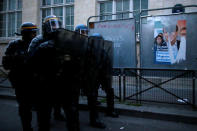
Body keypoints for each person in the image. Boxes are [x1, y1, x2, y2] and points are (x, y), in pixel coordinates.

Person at [28, 15, 79, 131]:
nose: (55, 27)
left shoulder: (66, 41)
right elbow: (30, 61)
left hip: (64, 81)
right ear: (45, 27)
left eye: (57, 24)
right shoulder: (38, 40)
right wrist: (42, 49)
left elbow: (76, 59)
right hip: (45, 81)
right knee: (44, 112)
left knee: (71, 111)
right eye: (52, 24)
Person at [2, 22, 38, 131]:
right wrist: (18, 58)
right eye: (33, 33)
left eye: (35, 33)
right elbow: (6, 64)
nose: (35, 35)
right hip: (21, 81)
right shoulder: (14, 45)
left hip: (35, 80)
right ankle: (27, 127)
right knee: (24, 106)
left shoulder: (37, 44)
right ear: (26, 33)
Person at [75, 25, 106, 128]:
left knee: (92, 97)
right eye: (83, 32)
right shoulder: (72, 44)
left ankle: (94, 120)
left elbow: (94, 59)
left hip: (87, 75)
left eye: (86, 32)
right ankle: (73, 121)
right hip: (75, 75)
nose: (85, 34)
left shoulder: (89, 44)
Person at [91, 33, 119, 118]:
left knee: (109, 92)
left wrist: (107, 74)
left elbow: (107, 63)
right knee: (93, 93)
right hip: (94, 75)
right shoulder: (90, 51)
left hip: (103, 75)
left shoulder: (102, 52)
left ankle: (110, 110)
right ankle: (94, 117)